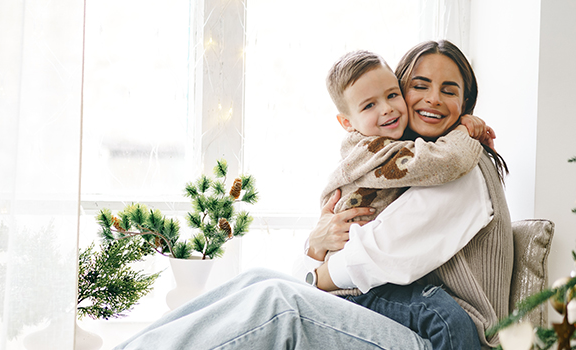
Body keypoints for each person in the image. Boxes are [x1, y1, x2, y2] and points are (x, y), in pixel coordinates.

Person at [114, 39, 511, 350]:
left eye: (449, 90)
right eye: (418, 86)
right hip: (404, 318)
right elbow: (345, 242)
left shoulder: (459, 169)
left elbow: (377, 255)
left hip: (445, 337)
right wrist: (315, 248)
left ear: (466, 102)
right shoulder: (403, 163)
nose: (433, 99)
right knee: (256, 279)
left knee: (278, 303)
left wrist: (314, 273)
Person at [298, 49, 488, 350]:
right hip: (355, 289)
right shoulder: (375, 151)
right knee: (440, 313)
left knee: (442, 312)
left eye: (391, 95)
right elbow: (443, 161)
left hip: (352, 280)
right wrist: (464, 133)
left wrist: (312, 268)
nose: (387, 109)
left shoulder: (409, 150)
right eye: (420, 86)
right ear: (347, 122)